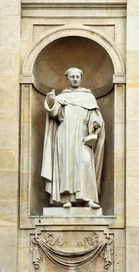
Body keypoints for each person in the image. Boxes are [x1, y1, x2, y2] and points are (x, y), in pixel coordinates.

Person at [41, 67, 105, 209]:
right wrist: (50, 101)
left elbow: (96, 116)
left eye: (77, 76)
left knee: (85, 162)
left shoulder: (88, 97)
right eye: (72, 77)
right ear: (67, 79)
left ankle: (87, 198)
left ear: (81, 78)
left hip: (82, 135)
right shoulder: (62, 97)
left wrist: (95, 124)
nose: (75, 79)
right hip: (64, 134)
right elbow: (54, 113)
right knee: (66, 165)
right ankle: (66, 199)